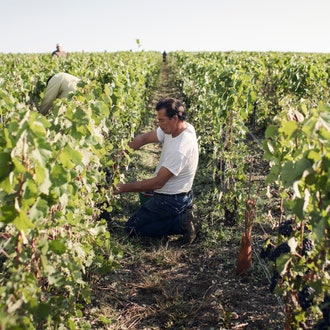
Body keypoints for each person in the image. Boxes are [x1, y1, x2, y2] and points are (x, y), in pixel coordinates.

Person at [114, 97, 199, 243]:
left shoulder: (180, 149)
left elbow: (158, 183)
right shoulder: (179, 128)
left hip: (171, 199)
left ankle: (181, 222)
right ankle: (181, 213)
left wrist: (123, 188)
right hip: (179, 195)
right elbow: (143, 139)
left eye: (162, 120)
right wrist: (121, 155)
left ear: (174, 118)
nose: (158, 124)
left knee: (132, 229)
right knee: (145, 213)